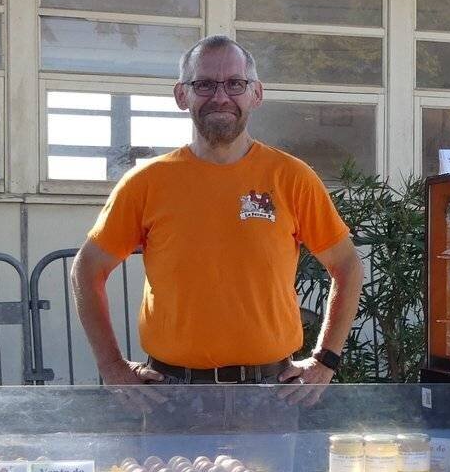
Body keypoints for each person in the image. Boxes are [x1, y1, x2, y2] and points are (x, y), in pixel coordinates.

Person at [70, 35, 363, 391]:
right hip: (171, 393)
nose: (221, 97)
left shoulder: (291, 178)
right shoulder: (146, 183)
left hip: (270, 392)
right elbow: (87, 270)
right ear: (182, 95)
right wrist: (112, 367)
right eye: (205, 84)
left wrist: (325, 359)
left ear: (256, 94)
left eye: (235, 84)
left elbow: (346, 265)